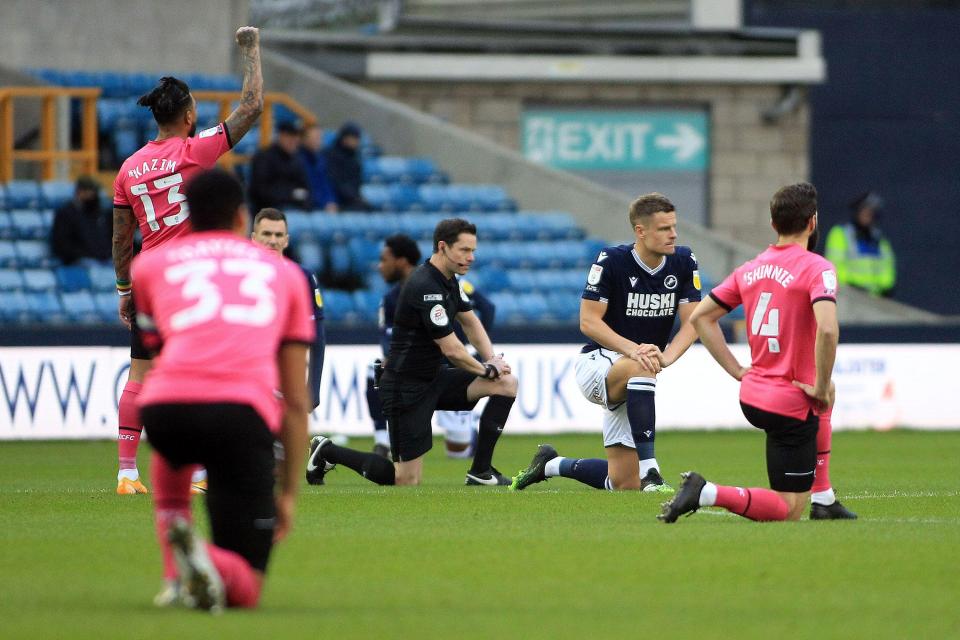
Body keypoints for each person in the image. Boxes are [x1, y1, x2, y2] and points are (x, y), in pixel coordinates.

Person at [133, 169, 312, 611]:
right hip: (241, 414)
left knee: (174, 473)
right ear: (241, 216)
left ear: (186, 213)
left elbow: (157, 351)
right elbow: (294, 399)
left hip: (164, 409)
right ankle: (204, 557)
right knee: (245, 591)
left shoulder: (149, 265)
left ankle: (176, 577)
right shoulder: (286, 274)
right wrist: (288, 493)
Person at [111, 26, 263, 495]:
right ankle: (196, 472)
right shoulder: (197, 150)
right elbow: (251, 107)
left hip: (148, 277)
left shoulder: (129, 167)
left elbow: (121, 237)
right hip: (188, 276)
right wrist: (251, 50)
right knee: (195, 370)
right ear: (190, 114)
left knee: (140, 372)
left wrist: (124, 289)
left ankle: (126, 473)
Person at [659, 182, 856, 524]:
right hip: (789, 403)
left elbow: (701, 317)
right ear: (812, 223)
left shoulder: (750, 268)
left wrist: (737, 369)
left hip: (753, 396)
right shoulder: (816, 268)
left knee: (828, 394)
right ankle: (707, 492)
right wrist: (820, 385)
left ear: (773, 224)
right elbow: (827, 329)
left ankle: (823, 499)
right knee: (789, 509)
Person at [510, 193, 701, 493]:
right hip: (598, 363)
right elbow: (588, 321)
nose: (673, 234)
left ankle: (549, 464)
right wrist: (634, 350)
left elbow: (693, 321)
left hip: (639, 372)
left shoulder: (684, 261)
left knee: (623, 483)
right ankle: (652, 473)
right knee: (641, 367)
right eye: (664, 228)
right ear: (641, 231)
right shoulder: (612, 261)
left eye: (674, 226)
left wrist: (666, 357)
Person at [306, 218, 517, 487]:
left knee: (506, 384)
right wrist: (486, 370)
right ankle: (327, 451)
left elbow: (470, 321)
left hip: (435, 379)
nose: (471, 257)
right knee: (405, 480)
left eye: (473, 250)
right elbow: (452, 349)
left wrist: (492, 359)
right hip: (405, 388)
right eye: (464, 250)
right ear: (443, 247)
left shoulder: (450, 280)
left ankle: (481, 471)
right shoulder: (425, 286)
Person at [366, 234, 496, 460]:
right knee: (373, 369)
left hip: (452, 363)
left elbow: (487, 308)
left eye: (384, 259)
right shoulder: (390, 299)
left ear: (401, 261)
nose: (379, 266)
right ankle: (381, 440)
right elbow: (388, 337)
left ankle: (474, 445)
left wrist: (471, 347)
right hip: (417, 373)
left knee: (458, 450)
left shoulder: (450, 283)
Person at [252, 208, 326, 409]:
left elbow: (317, 336)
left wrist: (313, 388)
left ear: (286, 240)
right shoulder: (238, 274)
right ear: (253, 238)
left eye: (278, 235)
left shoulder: (302, 277)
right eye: (266, 234)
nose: (273, 240)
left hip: (285, 378)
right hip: (247, 377)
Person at [825, 191, 895, 297]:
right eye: (865, 211)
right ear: (857, 211)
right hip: (846, 295)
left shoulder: (880, 242)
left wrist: (882, 288)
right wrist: (852, 284)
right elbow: (834, 267)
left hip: (874, 300)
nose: (868, 215)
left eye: (872, 212)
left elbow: (888, 273)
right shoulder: (841, 234)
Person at [248, 120, 311, 213]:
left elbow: (305, 187)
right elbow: (261, 191)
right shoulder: (264, 158)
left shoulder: (297, 160)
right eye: (290, 138)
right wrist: (291, 195)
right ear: (281, 136)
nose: (294, 142)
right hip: (269, 209)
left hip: (295, 207)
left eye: (296, 139)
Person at [50, 175, 112, 266]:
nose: (94, 196)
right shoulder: (65, 214)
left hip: (103, 259)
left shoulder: (99, 213)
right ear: (80, 192)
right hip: (79, 261)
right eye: (91, 192)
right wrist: (82, 255)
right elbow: (62, 244)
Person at [324, 122, 369, 211]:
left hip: (352, 199)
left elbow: (356, 182)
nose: (356, 142)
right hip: (337, 200)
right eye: (353, 138)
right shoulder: (331, 156)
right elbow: (334, 181)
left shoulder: (355, 159)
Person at [298, 123, 338, 212]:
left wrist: (331, 201)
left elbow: (325, 184)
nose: (319, 141)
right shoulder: (298, 160)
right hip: (308, 206)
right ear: (304, 139)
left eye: (320, 138)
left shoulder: (321, 160)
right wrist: (323, 203)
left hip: (325, 205)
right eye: (315, 138)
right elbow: (308, 188)